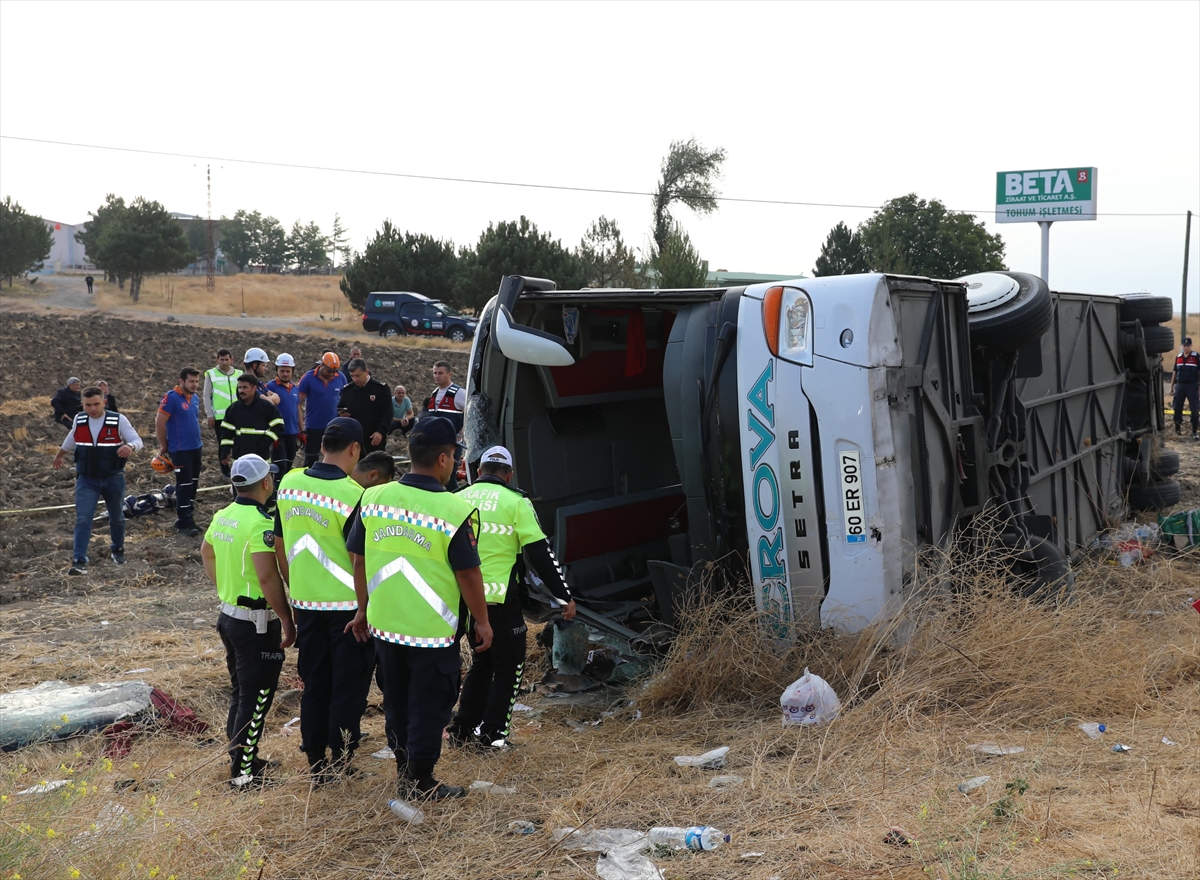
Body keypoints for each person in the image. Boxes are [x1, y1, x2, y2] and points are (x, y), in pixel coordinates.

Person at [345, 416, 492, 800]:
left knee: (396, 701)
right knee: (430, 705)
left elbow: (357, 560)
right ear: (445, 459)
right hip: (431, 632)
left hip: (385, 627)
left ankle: (403, 768)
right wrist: (482, 620)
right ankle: (420, 779)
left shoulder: (374, 497)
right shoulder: (454, 509)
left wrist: (362, 609)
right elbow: (469, 575)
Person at [449, 445, 574, 750]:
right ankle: (493, 737)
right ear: (509, 474)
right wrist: (563, 596)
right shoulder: (516, 502)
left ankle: (462, 730)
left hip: (462, 598)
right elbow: (541, 554)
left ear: (479, 471)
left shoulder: (455, 498)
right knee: (510, 666)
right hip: (498, 600)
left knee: (482, 662)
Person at [274, 418, 372, 783]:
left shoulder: (289, 483)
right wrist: (365, 607)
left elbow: (280, 544)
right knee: (348, 688)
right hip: (348, 610)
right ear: (354, 449)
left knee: (315, 684)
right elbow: (360, 560)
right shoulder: (354, 495)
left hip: (306, 604)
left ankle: (316, 762)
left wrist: (294, 584)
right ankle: (342, 761)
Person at [201, 454, 295, 789]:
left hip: (230, 617)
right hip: (256, 623)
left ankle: (244, 758)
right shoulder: (260, 523)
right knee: (257, 697)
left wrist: (225, 587)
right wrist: (287, 618)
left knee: (241, 692)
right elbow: (268, 579)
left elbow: (206, 551)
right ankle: (243, 774)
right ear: (267, 483)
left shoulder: (224, 515)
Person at [52, 386, 144, 575]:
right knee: (83, 519)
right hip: (87, 480)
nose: (92, 408)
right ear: (82, 404)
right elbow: (72, 438)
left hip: (113, 478)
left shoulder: (118, 420)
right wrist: (59, 455)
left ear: (104, 401)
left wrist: (130, 446)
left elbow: (138, 440)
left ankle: (117, 550)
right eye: (88, 405)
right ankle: (78, 561)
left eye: (96, 404)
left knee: (117, 517)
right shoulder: (79, 419)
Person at [156, 367, 204, 536]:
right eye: (191, 381)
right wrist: (164, 446)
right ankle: (183, 522)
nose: (195, 385)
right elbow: (160, 422)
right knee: (183, 485)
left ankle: (188, 518)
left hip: (195, 447)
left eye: (197, 381)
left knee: (193, 484)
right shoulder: (171, 398)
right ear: (181, 381)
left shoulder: (195, 398)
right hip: (180, 449)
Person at [219, 374, 284, 469]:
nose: (241, 391)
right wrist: (225, 451)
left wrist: (264, 443)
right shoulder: (233, 409)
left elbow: (279, 426)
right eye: (240, 387)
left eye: (245, 387)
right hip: (239, 460)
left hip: (261, 459)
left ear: (254, 388)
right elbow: (226, 433)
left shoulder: (266, 407)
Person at [420, 361, 466, 490]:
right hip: (436, 443)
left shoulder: (459, 393)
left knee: (450, 479)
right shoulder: (434, 393)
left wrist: (461, 434)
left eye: (440, 373)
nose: (436, 376)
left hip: (452, 445)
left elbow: (470, 413)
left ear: (449, 374)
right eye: (435, 373)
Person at [298, 352, 347, 467]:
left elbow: (346, 399)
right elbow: (297, 403)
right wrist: (300, 427)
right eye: (329, 371)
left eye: (335, 371)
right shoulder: (308, 378)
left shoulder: (341, 378)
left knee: (334, 459)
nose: (332, 374)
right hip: (314, 426)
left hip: (334, 426)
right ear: (322, 365)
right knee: (311, 459)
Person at [337, 358, 392, 455]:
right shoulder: (348, 390)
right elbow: (340, 408)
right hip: (353, 440)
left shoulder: (380, 389)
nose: (355, 379)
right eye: (352, 376)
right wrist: (342, 415)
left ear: (366, 372)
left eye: (358, 376)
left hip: (373, 438)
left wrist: (380, 432)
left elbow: (387, 413)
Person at [266, 353, 301, 479]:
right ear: (277, 371)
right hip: (278, 435)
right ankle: (276, 490)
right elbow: (266, 410)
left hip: (292, 432)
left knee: (289, 464)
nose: (285, 374)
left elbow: (297, 409)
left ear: (292, 371)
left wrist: (301, 430)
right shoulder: (270, 387)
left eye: (288, 371)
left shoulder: (294, 388)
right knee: (280, 466)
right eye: (282, 371)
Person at [1172, 337, 1200, 438]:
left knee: (1194, 408)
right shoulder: (1178, 357)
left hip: (1192, 385)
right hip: (1180, 385)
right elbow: (1175, 372)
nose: (1186, 347)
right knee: (1177, 407)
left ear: (1191, 346)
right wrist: (1172, 387)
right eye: (1184, 345)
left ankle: (1194, 432)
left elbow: (1199, 372)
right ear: (1182, 346)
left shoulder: (1196, 356)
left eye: (1188, 346)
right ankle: (1177, 430)